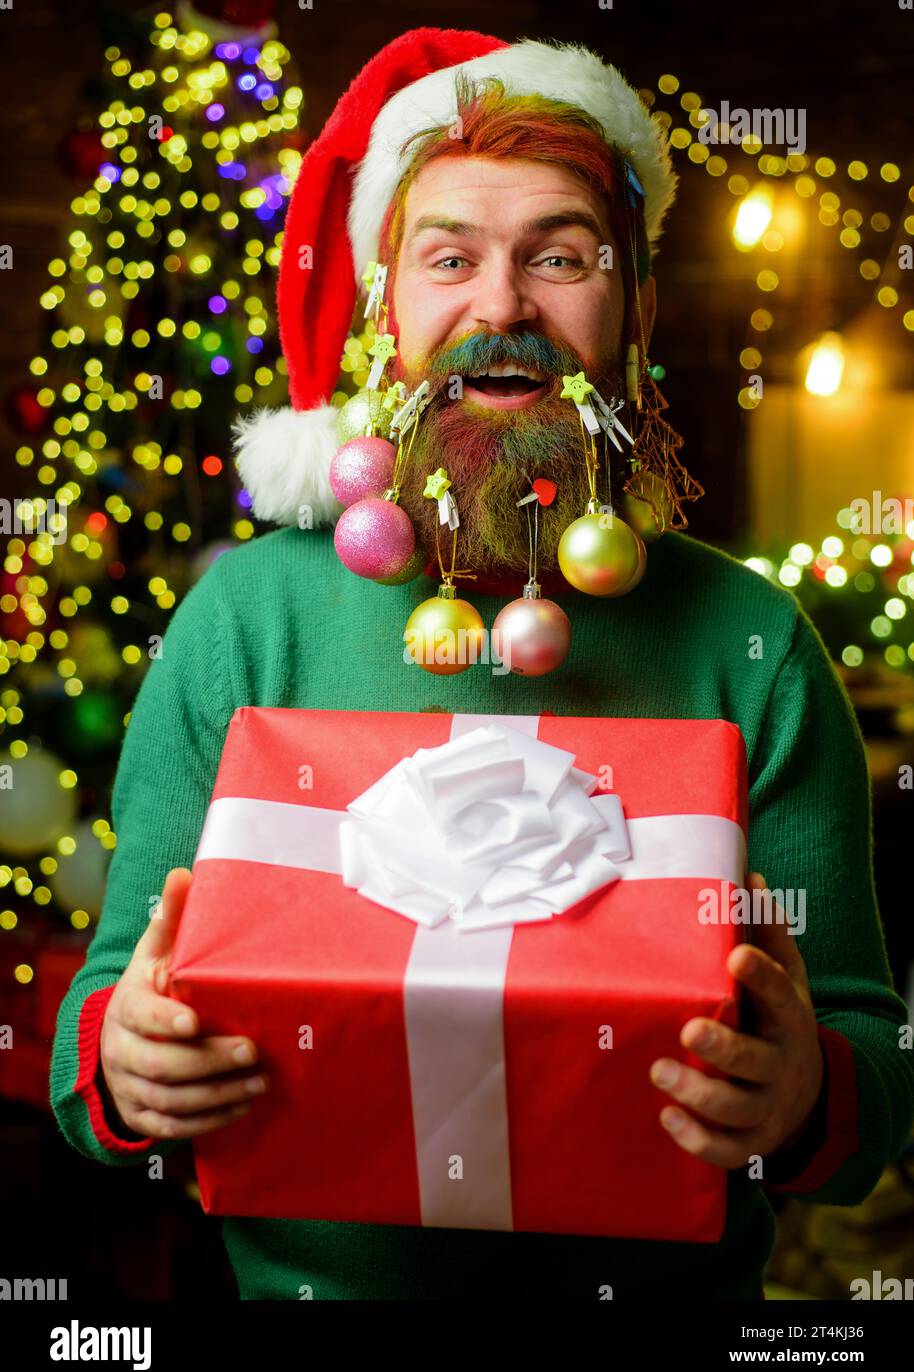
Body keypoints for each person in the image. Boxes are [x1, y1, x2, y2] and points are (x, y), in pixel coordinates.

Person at [51, 27, 914, 1300]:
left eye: (558, 256)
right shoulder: (245, 622)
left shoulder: (753, 646)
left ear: (633, 305)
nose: (500, 306)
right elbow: (99, 1020)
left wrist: (803, 1090)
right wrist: (124, 1061)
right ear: (388, 306)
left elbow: (870, 1071)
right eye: (448, 257)